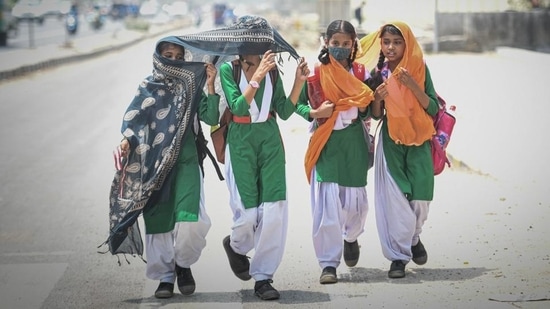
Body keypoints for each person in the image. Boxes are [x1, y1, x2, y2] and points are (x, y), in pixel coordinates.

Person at [109, 36, 221, 299]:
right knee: (159, 220)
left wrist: (211, 84)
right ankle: (165, 277)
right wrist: (125, 143)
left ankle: (183, 264)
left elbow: (212, 117)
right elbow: (134, 122)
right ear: (158, 58)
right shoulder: (148, 87)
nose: (173, 60)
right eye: (168, 55)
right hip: (154, 166)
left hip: (187, 160)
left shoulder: (194, 86)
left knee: (191, 219)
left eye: (178, 56)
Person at [217, 16, 309, 300]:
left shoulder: (272, 71)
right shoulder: (228, 69)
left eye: (261, 38)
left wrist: (298, 82)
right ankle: (235, 246)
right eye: (251, 38)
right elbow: (238, 105)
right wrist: (255, 77)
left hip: (269, 140)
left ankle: (264, 277)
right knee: (247, 212)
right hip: (241, 141)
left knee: (274, 208)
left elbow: (282, 110)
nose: (257, 44)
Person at [294, 19, 374, 285]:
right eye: (335, 43)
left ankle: (351, 237)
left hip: (353, 141)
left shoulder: (361, 72)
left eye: (345, 44)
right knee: (327, 206)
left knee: (355, 204)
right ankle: (328, 263)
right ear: (326, 43)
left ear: (353, 46)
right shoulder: (315, 72)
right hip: (326, 140)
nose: (340, 48)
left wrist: (365, 105)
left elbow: (369, 106)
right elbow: (297, 105)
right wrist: (315, 113)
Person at [359, 21, 439, 279]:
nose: (391, 47)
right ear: (380, 45)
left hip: (420, 140)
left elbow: (433, 108)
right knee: (394, 201)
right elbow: (376, 114)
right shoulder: (378, 72)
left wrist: (412, 84)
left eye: (397, 42)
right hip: (392, 140)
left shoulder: (420, 68)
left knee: (421, 198)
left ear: (407, 44)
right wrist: (378, 98)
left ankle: (413, 238)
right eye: (386, 42)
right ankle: (398, 257)